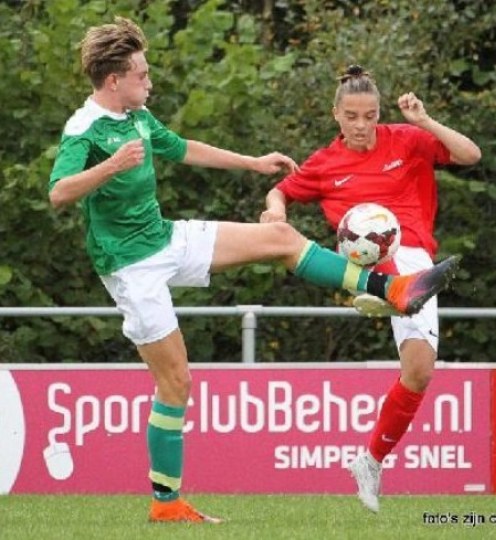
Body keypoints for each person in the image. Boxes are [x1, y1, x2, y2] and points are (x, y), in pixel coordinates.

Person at [48, 20, 459, 524]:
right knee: (177, 382)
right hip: (130, 267)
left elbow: (182, 148)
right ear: (114, 80)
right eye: (142, 74)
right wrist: (109, 167)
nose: (149, 81)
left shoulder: (138, 116)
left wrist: (253, 163)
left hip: (164, 239)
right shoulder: (83, 128)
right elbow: (60, 192)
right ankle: (167, 504)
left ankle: (392, 288)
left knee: (280, 238)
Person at [262, 65, 481, 513]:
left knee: (419, 372)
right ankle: (387, 292)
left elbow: (470, 155)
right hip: (371, 262)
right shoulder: (324, 164)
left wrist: (424, 120)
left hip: (416, 253)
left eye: (370, 115)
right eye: (352, 116)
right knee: (391, 270)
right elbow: (280, 191)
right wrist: (275, 212)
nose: (362, 126)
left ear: (380, 113)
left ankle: (370, 460)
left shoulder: (408, 139)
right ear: (336, 114)